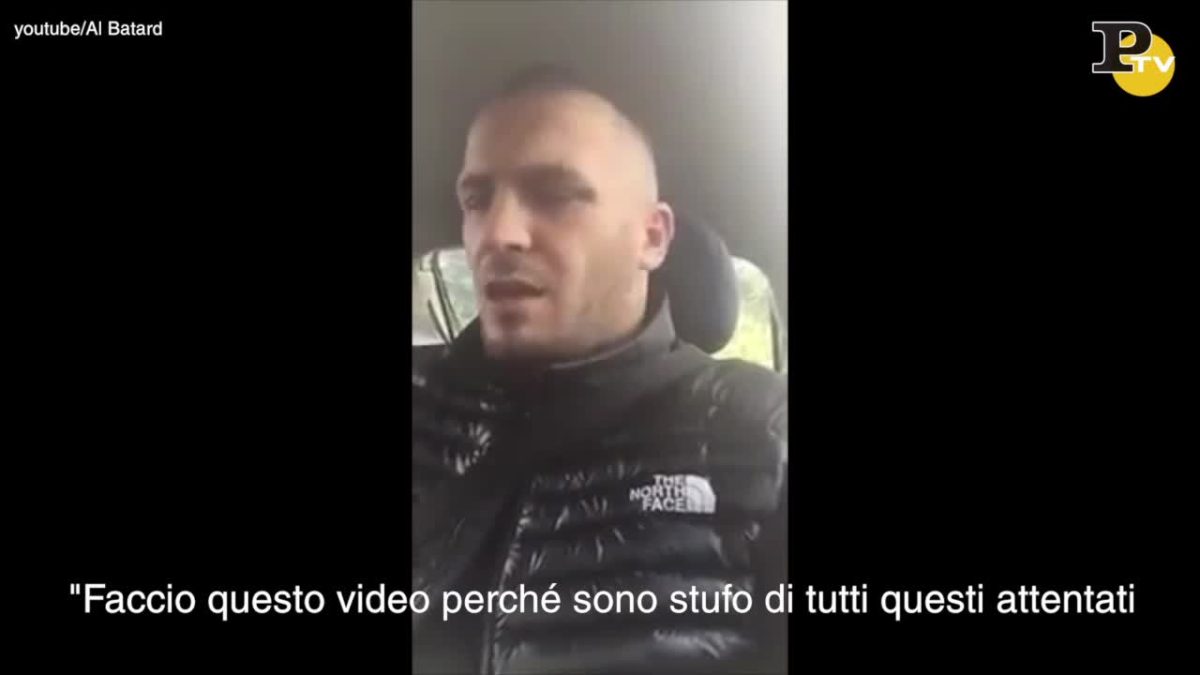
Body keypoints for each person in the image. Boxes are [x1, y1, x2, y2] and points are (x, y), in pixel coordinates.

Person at [412, 65, 788, 674]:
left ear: (653, 238)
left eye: (555, 195)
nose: (496, 235)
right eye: (477, 201)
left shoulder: (763, 435)